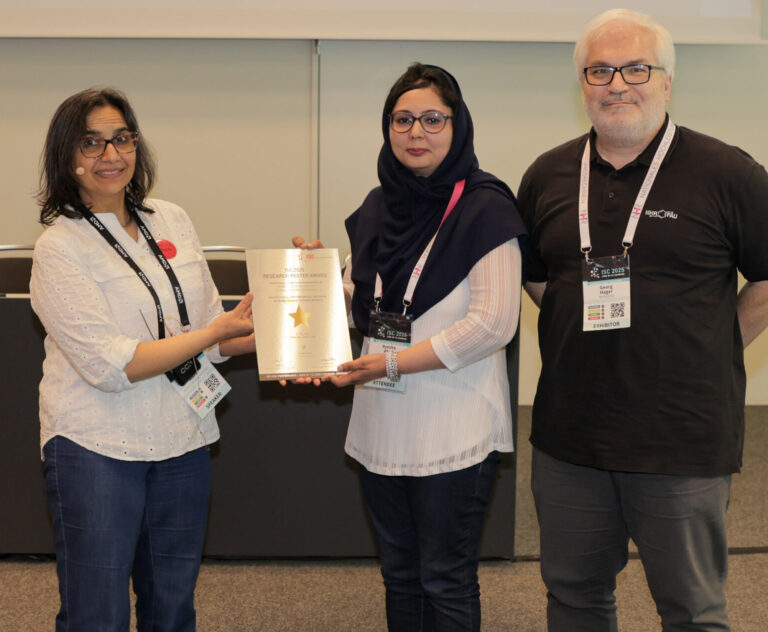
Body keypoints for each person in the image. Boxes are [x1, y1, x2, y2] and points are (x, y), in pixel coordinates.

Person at [517, 9, 768, 632]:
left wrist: (714, 344)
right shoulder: (547, 174)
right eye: (599, 71)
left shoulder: (728, 172)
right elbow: (539, 277)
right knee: (574, 599)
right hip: (571, 440)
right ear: (582, 84)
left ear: (667, 81)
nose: (617, 85)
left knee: (692, 611)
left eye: (636, 69)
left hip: (681, 440)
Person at [295, 63, 526, 631]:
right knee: (399, 575)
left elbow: (493, 324)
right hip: (383, 420)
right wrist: (318, 276)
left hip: (454, 425)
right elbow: (362, 299)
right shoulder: (380, 204)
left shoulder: (486, 207)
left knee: (444, 578)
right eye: (402, 120)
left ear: (457, 125)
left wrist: (391, 362)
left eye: (432, 119)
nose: (415, 132)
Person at [30, 87, 255, 632]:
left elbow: (211, 335)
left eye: (122, 139)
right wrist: (212, 333)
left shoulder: (171, 219)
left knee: (173, 606)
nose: (111, 155)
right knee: (97, 613)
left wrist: (289, 325)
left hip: (182, 439)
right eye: (91, 143)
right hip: (96, 446)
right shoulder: (59, 246)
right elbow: (111, 366)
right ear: (67, 156)